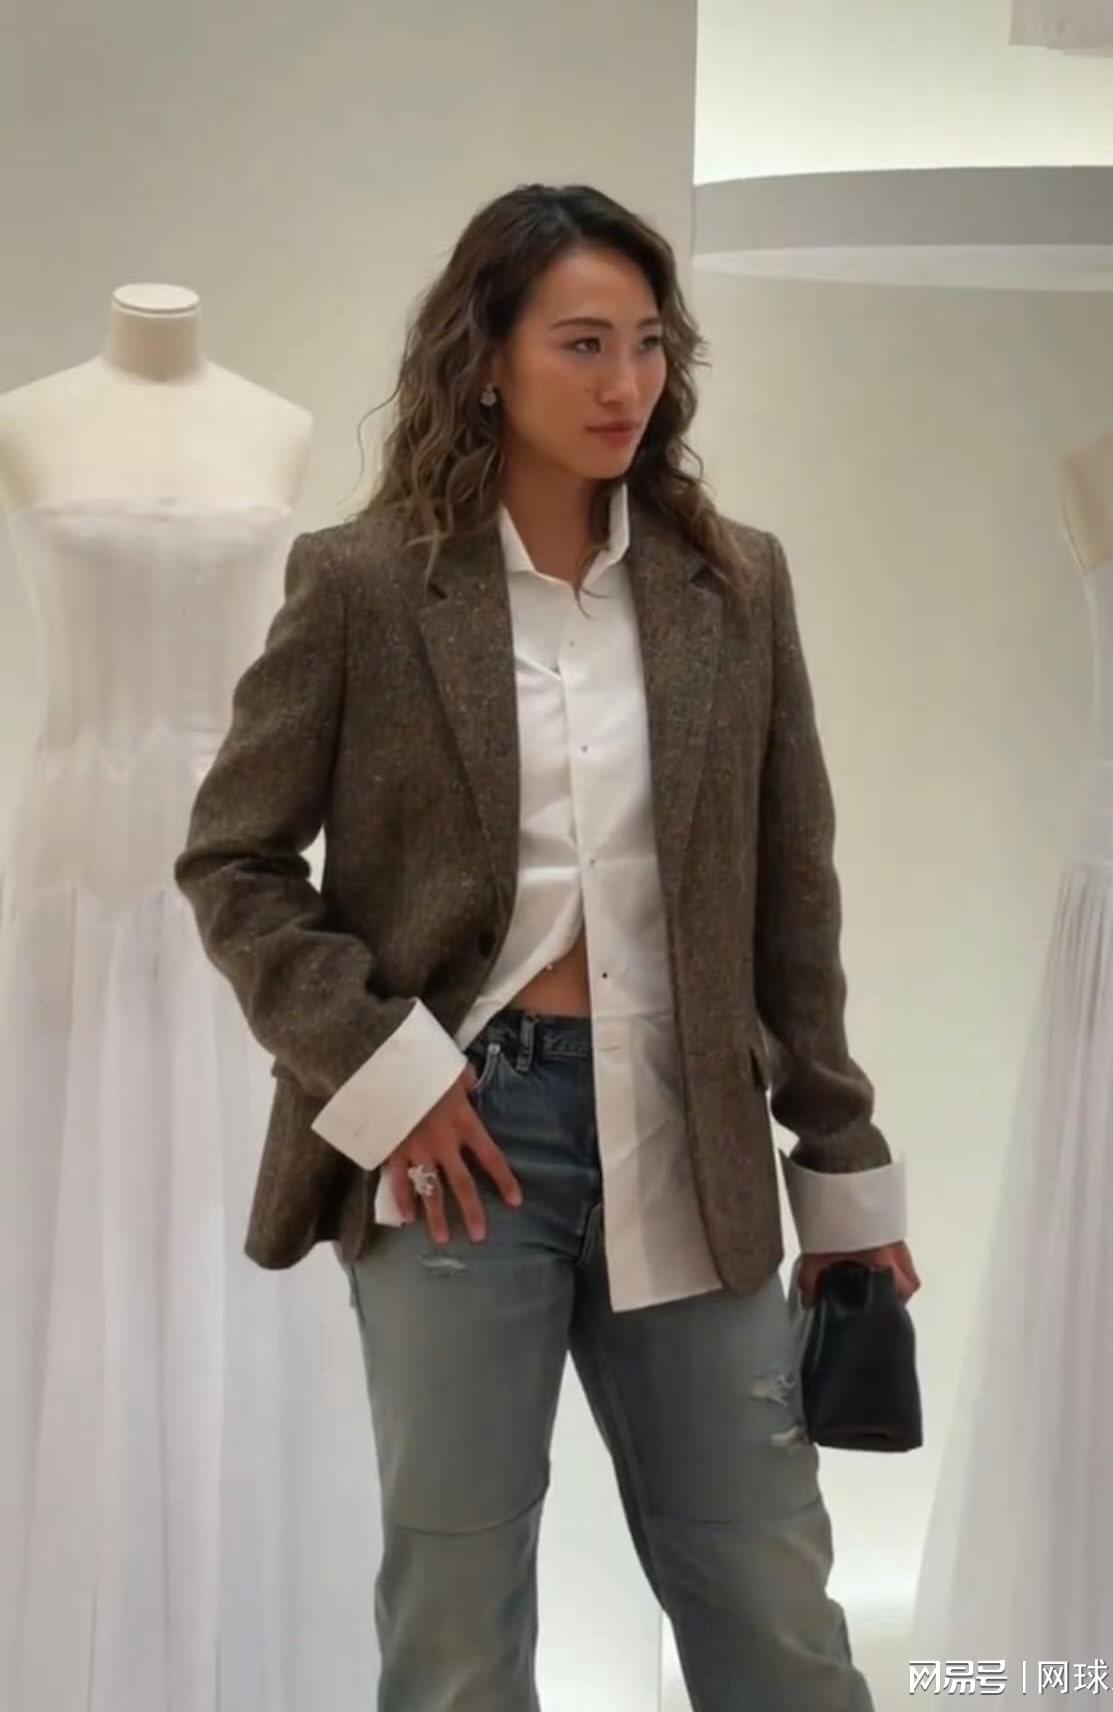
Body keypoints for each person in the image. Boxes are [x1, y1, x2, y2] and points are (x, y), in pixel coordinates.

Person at [174, 180, 921, 1712]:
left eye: (647, 343)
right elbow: (233, 859)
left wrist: (841, 1171)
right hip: (463, 1143)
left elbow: (792, 896)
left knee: (771, 1598)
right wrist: (385, 1076)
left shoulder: (734, 583)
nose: (623, 382)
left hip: (690, 1132)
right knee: (455, 1612)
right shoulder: (368, 583)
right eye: (581, 343)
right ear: (487, 358)